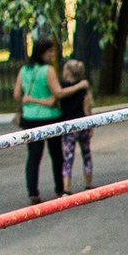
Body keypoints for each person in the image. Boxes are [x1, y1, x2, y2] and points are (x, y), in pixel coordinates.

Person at [13, 38, 60, 202]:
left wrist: (29, 101)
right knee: (56, 154)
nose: (52, 54)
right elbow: (57, 92)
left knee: (33, 156)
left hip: (29, 117)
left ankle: (33, 192)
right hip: (50, 117)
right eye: (50, 51)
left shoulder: (24, 70)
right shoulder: (48, 70)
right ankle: (60, 188)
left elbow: (17, 94)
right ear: (42, 53)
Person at [52, 58, 95, 197]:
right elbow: (87, 108)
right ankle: (88, 184)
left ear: (67, 71)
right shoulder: (83, 89)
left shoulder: (63, 87)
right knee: (86, 154)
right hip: (82, 125)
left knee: (68, 157)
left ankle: (66, 188)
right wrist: (91, 126)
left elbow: (55, 100)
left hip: (68, 127)